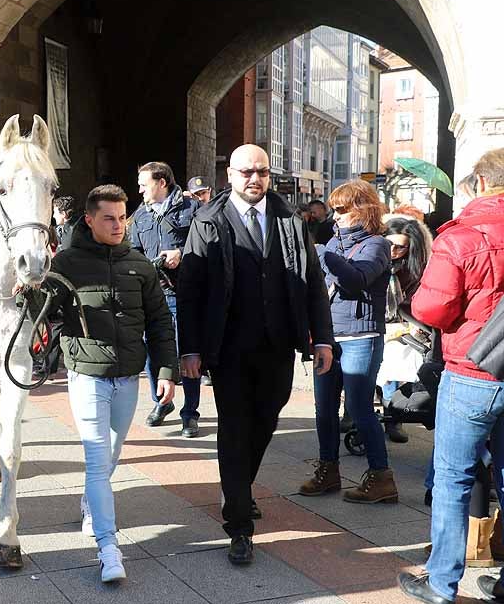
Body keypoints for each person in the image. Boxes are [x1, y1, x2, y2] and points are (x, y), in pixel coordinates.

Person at [177, 144, 334, 566]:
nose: (255, 179)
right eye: (246, 171)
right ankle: (240, 524)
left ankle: (238, 488)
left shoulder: (289, 220)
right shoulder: (207, 221)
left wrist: (322, 338)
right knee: (234, 426)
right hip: (227, 348)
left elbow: (313, 281)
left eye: (262, 172)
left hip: (278, 344)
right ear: (229, 175)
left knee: (266, 421)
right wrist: (189, 349)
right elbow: (189, 291)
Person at [50, 184, 178, 583]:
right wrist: (30, 294)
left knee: (112, 454)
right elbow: (44, 312)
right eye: (109, 218)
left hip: (128, 377)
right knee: (96, 457)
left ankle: (92, 502)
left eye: (123, 217)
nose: (119, 225)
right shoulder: (66, 261)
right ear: (89, 220)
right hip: (87, 375)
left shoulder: (139, 264)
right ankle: (108, 548)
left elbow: (160, 323)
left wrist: (167, 373)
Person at [398, 148, 504, 604]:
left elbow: (430, 308)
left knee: (453, 478)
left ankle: (441, 583)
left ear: (481, 183)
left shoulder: (462, 236)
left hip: (472, 372)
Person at [298, 180, 397, 503]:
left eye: (341, 209)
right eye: (334, 210)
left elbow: (356, 279)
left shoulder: (377, 244)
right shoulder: (335, 243)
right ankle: (329, 470)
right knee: (323, 408)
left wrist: (323, 253)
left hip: (362, 337)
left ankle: (381, 476)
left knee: (358, 407)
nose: (335, 216)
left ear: (362, 209)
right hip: (329, 337)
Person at [128, 161, 201, 435]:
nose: (139, 190)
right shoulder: (140, 216)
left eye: (143, 184)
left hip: (183, 295)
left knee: (187, 352)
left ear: (162, 183)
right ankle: (161, 401)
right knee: (151, 351)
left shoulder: (191, 209)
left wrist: (181, 254)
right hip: (153, 294)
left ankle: (190, 412)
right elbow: (133, 251)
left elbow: (207, 244)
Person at [376, 214, 433, 443]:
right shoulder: (373, 258)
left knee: (395, 368)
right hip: (371, 323)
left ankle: (393, 415)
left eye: (401, 247)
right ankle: (357, 414)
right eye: (389, 244)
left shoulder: (415, 269)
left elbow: (416, 300)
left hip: (401, 326)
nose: (394, 251)